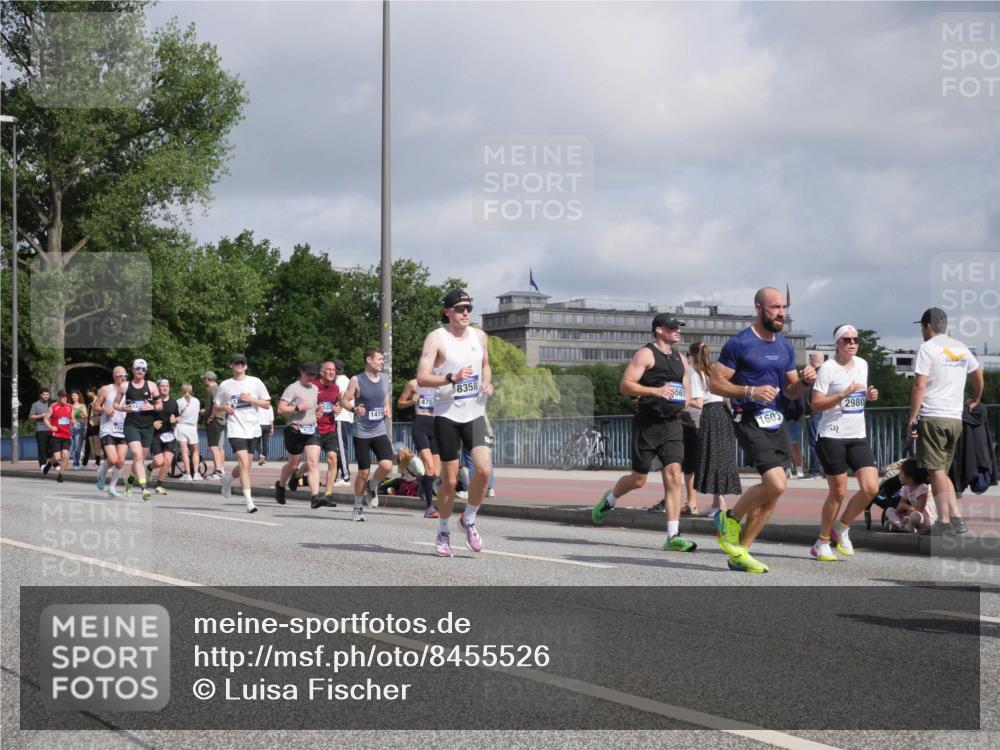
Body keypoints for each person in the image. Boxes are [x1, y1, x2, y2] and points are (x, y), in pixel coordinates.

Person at [709, 287, 817, 573]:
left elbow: (792, 392)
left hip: (776, 421)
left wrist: (805, 381)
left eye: (783, 308)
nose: (781, 313)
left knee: (774, 494)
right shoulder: (740, 344)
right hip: (749, 420)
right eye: (774, 308)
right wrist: (750, 391)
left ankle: (740, 552)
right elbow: (715, 383)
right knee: (776, 483)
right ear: (758, 309)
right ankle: (729, 518)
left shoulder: (785, 346)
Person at [591, 313, 697, 553]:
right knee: (638, 479)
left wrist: (683, 402)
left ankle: (673, 536)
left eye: (678, 328)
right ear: (659, 330)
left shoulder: (681, 359)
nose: (677, 331)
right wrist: (655, 392)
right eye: (672, 328)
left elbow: (687, 392)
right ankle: (609, 500)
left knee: (673, 475)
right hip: (647, 424)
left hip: (672, 423)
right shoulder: (646, 354)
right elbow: (625, 385)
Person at [417, 289, 494, 556]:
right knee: (449, 481)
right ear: (447, 311)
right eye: (460, 309)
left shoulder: (479, 336)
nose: (465, 313)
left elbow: (485, 364)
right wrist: (452, 378)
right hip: (447, 414)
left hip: (474, 412)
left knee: (483, 470)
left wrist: (486, 382)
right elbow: (423, 378)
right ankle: (443, 530)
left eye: (469, 309)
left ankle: (469, 519)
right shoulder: (436, 338)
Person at [908, 307, 984, 535]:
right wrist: (976, 399)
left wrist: (912, 418)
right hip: (954, 418)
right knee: (942, 471)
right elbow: (978, 373)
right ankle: (956, 518)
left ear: (927, 327)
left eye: (922, 327)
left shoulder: (927, 348)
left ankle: (944, 521)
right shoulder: (960, 348)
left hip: (933, 416)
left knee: (936, 471)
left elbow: (919, 385)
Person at [809, 324, 880, 561]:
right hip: (831, 435)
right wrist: (843, 394)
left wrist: (869, 394)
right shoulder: (828, 369)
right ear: (837, 344)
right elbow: (815, 405)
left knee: (871, 487)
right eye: (846, 340)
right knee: (838, 491)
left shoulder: (862, 364)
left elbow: (858, 397)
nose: (852, 343)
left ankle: (842, 526)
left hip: (856, 435)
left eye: (855, 339)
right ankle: (821, 541)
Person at [340, 347, 394, 522]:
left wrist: (386, 407)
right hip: (362, 433)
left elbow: (385, 396)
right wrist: (355, 409)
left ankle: (373, 485)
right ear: (369, 360)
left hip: (379, 430)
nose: (382, 362)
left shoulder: (385, 378)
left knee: (387, 465)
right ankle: (357, 507)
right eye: (379, 359)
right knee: (363, 472)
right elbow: (344, 400)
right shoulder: (357, 380)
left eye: (382, 359)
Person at [215, 353, 271, 513]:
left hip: (253, 429)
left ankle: (228, 479)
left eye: (241, 363)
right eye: (236, 363)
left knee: (247, 465)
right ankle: (249, 503)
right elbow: (216, 406)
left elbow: (267, 404)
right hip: (235, 428)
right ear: (231, 366)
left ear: (245, 366)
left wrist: (252, 399)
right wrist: (224, 407)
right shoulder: (225, 385)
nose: (239, 365)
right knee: (244, 464)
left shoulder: (255, 382)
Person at [691, 341, 738, 517]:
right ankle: (716, 502)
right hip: (724, 413)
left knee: (711, 456)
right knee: (721, 456)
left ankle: (720, 505)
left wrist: (684, 401)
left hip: (710, 414)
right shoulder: (715, 370)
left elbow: (699, 402)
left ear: (692, 356)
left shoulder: (697, 374)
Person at [275, 362, 327, 509]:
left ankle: (315, 497)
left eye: (314, 374)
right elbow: (280, 409)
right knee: (293, 464)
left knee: (313, 462)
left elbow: (313, 408)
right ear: (301, 372)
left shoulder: (315, 388)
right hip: (295, 430)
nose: (311, 377)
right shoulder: (293, 388)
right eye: (308, 374)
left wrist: (318, 411)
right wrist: (297, 408)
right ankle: (280, 485)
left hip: (312, 429)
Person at [114, 358, 162, 501]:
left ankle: (129, 482)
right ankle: (144, 488)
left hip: (147, 426)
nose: (140, 372)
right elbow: (115, 404)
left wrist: (152, 407)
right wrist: (122, 408)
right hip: (131, 425)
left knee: (141, 458)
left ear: (145, 371)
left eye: (143, 369)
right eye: (138, 369)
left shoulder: (152, 386)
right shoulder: (125, 386)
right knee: (137, 455)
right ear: (133, 370)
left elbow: (160, 405)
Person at [96, 367, 129, 497]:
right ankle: (102, 473)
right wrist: (105, 409)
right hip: (108, 428)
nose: (123, 378)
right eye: (121, 375)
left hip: (124, 429)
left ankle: (112, 488)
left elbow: (133, 406)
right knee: (113, 459)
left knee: (120, 461)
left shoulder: (129, 389)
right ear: (114, 376)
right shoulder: (106, 389)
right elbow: (95, 407)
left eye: (125, 375)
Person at [314, 360, 342, 506]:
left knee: (332, 458)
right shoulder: (313, 386)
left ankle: (328, 495)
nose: (332, 372)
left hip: (330, 428)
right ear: (322, 372)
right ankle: (297, 474)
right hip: (314, 428)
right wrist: (314, 411)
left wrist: (338, 409)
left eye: (334, 370)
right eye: (329, 369)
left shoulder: (336, 388)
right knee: (313, 461)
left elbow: (338, 404)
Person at [884, 459, 935, 532]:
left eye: (901, 473)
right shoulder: (906, 488)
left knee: (915, 516)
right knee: (889, 510)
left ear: (909, 479)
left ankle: (899, 525)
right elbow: (898, 509)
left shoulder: (923, 489)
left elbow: (918, 510)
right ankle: (902, 526)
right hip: (911, 514)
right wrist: (904, 516)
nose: (899, 476)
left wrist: (904, 506)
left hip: (926, 518)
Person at [148, 378, 179, 495]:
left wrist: (175, 419)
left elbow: (178, 417)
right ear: (158, 388)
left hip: (169, 435)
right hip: (155, 436)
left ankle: (159, 485)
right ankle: (150, 467)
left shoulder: (173, 402)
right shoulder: (152, 402)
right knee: (159, 461)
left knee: (167, 460)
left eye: (167, 386)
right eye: (162, 386)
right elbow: (143, 419)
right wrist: (152, 423)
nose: (165, 388)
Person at [42, 389, 74, 483]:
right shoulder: (53, 406)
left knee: (66, 456)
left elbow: (71, 418)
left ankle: (60, 475)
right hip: (55, 435)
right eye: (62, 396)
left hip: (66, 435)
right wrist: (51, 427)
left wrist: (73, 421)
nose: (64, 398)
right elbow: (46, 418)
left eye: (65, 396)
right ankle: (49, 463)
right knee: (57, 458)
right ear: (58, 397)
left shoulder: (70, 407)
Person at [202, 371, 226, 480]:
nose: (203, 381)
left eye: (204, 379)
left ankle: (218, 471)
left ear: (207, 379)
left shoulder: (212, 390)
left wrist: (210, 417)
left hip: (215, 420)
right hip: (222, 420)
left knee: (213, 446)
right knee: (220, 447)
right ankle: (221, 469)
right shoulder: (221, 389)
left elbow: (216, 406)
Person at [175, 383, 202, 481]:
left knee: (184, 452)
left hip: (182, 427)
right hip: (192, 428)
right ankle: (196, 474)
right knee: (195, 451)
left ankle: (187, 474)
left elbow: (176, 416)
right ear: (191, 389)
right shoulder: (197, 401)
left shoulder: (179, 401)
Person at [805, 353, 825, 479]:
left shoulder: (815, 374)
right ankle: (827, 470)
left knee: (814, 441)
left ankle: (815, 470)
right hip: (824, 410)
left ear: (813, 360)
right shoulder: (826, 372)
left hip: (816, 411)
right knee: (824, 441)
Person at [333, 358, 353, 485]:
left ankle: (345, 477)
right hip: (346, 417)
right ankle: (337, 475)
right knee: (337, 448)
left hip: (340, 417)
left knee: (340, 447)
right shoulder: (348, 381)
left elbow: (340, 398)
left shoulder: (339, 382)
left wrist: (338, 405)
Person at [780, 393, 806, 479]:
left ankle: (799, 470)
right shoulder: (778, 385)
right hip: (780, 419)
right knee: (783, 446)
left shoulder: (796, 387)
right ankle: (787, 469)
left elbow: (801, 405)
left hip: (792, 419)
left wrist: (796, 416)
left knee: (795, 446)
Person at [28, 389, 51, 471]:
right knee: (42, 448)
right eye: (44, 394)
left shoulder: (51, 404)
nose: (46, 396)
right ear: (41, 395)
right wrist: (41, 415)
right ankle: (43, 464)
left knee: (53, 447)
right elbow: (31, 416)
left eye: (47, 394)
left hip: (51, 428)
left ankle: (54, 463)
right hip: (41, 429)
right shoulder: (36, 404)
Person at [82, 386, 103, 469]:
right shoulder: (91, 403)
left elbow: (101, 413)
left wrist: (97, 414)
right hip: (90, 426)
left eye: (88, 392)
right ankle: (85, 463)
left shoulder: (99, 402)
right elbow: (90, 415)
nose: (87, 394)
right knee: (89, 445)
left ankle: (98, 463)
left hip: (96, 425)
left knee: (97, 445)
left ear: (92, 392)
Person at [69, 389, 87, 469]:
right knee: (71, 447)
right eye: (72, 396)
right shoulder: (69, 406)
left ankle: (76, 464)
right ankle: (75, 461)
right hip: (70, 427)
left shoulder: (82, 406)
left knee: (77, 446)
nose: (73, 397)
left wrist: (85, 426)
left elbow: (85, 416)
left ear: (78, 396)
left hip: (79, 426)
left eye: (75, 395)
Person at [255, 399, 275, 466]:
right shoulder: (269, 406)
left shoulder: (258, 405)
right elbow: (271, 418)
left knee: (256, 442)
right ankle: (264, 458)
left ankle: (261, 455)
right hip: (267, 426)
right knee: (265, 443)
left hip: (259, 425)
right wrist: (272, 428)